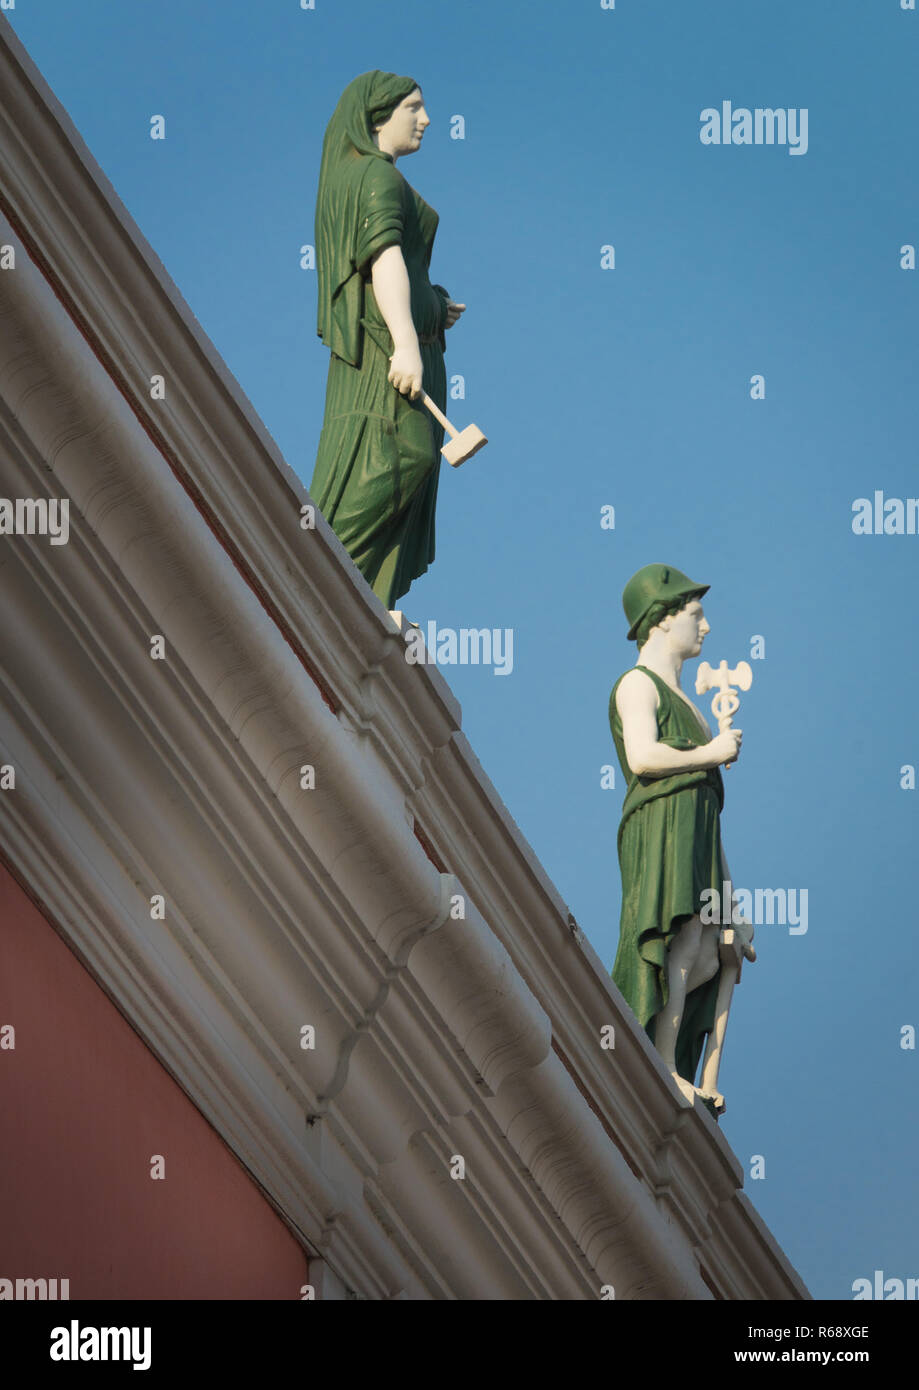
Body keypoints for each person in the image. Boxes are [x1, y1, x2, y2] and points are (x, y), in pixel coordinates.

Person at [311, 70, 465, 609]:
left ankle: (364, 596)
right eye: (414, 108)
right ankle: (326, 581)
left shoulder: (377, 177)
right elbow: (383, 258)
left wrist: (434, 307)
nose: (425, 120)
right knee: (401, 457)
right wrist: (403, 341)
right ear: (379, 116)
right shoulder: (375, 178)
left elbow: (404, 269)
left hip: (413, 345)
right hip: (388, 357)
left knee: (408, 463)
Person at [609, 564, 750, 1104]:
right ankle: (660, 1063)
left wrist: (731, 901)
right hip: (659, 825)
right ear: (662, 621)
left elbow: (712, 824)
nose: (706, 626)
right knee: (680, 935)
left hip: (696, 833)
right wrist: (712, 753)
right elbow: (643, 756)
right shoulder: (635, 685)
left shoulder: (690, 704)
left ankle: (677, 1064)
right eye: (696, 614)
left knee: (714, 952)